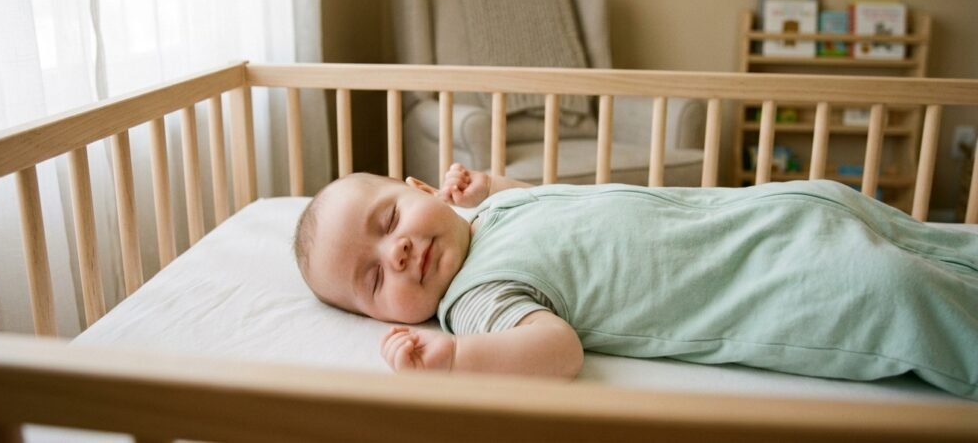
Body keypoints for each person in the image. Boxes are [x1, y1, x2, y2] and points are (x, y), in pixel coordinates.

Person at [293, 164, 978, 399]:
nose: (402, 251)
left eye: (390, 219)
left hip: (780, 210)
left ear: (420, 188)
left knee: (934, 245)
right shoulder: (476, 300)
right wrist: (454, 361)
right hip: (774, 282)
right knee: (900, 290)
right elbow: (555, 351)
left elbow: (562, 213)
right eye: (375, 277)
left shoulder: (492, 212)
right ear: (386, 321)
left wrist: (496, 184)